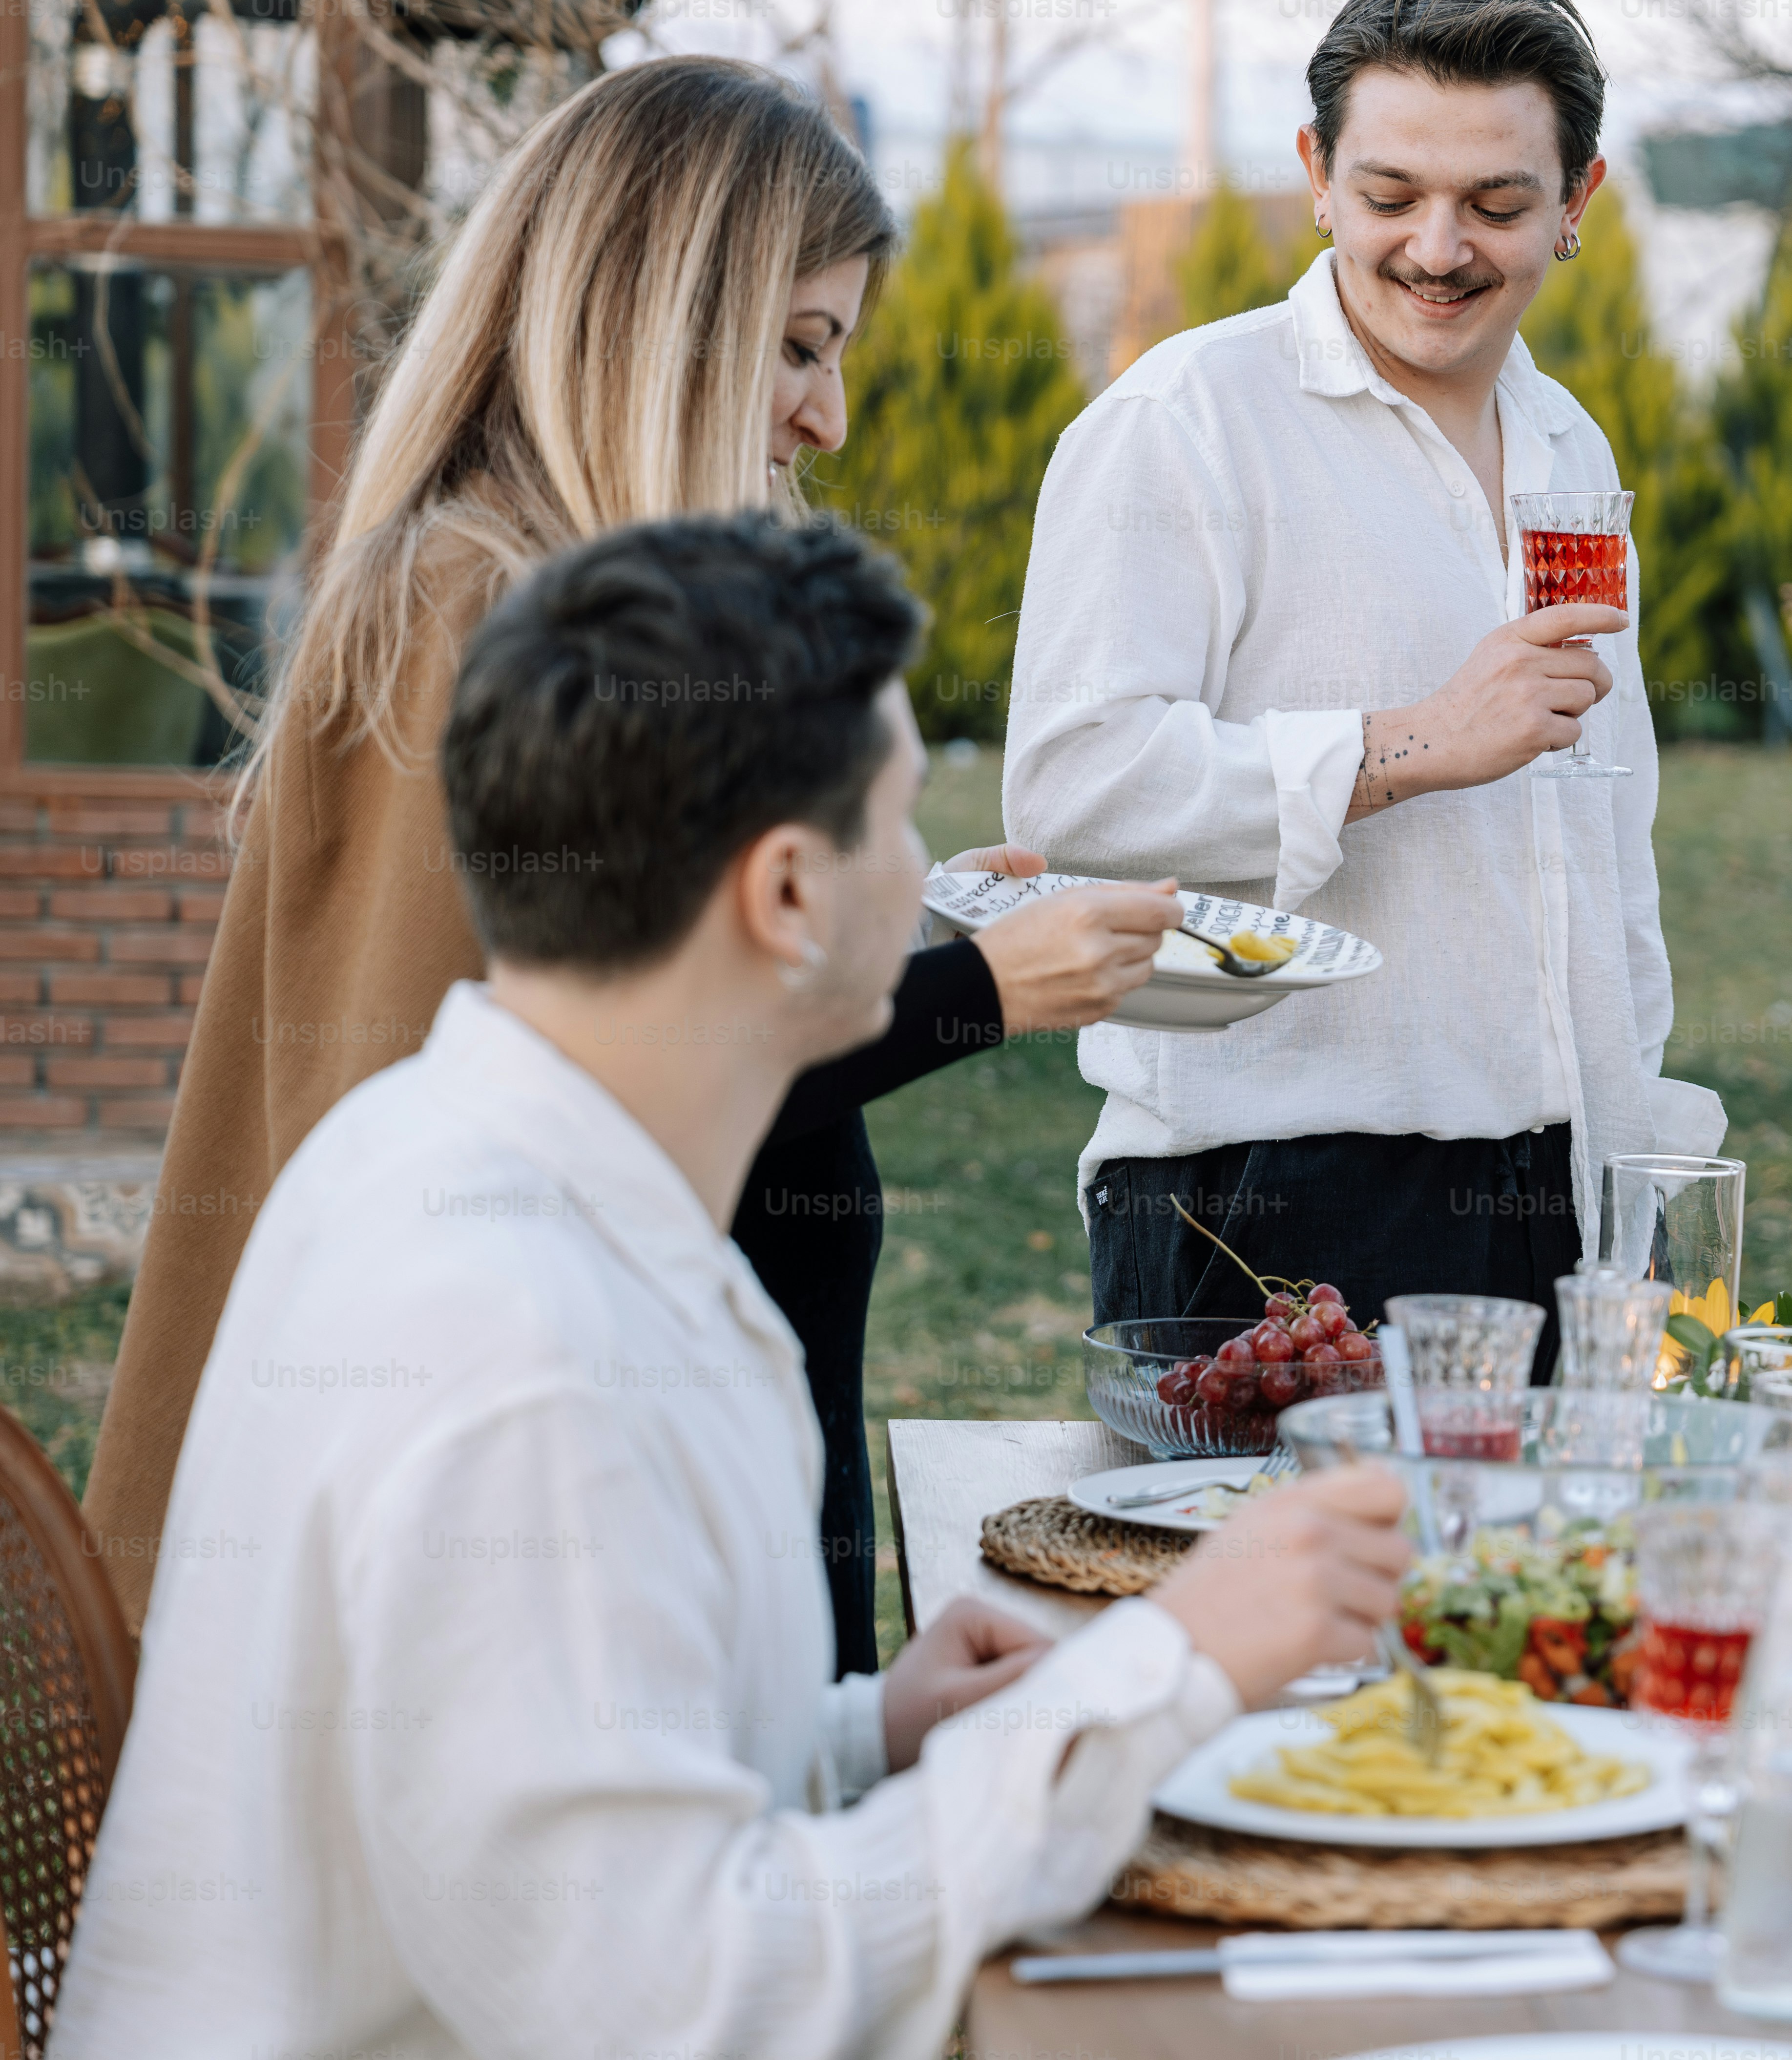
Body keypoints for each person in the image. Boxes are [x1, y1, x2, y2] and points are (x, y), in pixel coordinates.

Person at [50, 513, 1415, 2059]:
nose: (926, 881)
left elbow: (557, 1807)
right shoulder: (519, 1346)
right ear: (785, 896)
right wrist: (1172, 1664)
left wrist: (862, 1735)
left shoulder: (456, 1159)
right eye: (902, 827)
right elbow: (686, 2002)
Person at [77, 54, 1173, 1669]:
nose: (831, 413)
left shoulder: (572, 602)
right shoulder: (474, 604)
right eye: (798, 346)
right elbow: (546, 1109)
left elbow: (652, 988)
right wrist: (981, 991)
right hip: (554, 1591)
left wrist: (910, 913)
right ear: (658, 317)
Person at [1007, 0, 1718, 1346]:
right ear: (1317, 173)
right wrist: (1407, 749)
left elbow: (1606, 834)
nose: (1439, 248)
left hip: (1566, 1192)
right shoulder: (1183, 424)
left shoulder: (1572, 440)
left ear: (1576, 203)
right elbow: (1074, 790)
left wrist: (1645, 1152)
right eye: (1391, 197)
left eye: (1497, 204)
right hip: (1268, 1197)